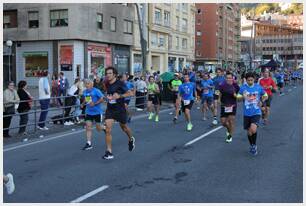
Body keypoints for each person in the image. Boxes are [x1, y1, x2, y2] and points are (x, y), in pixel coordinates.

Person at [103, 67, 135, 160]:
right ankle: (109, 152)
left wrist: (120, 96)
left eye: (110, 73)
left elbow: (130, 93)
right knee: (108, 129)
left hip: (120, 109)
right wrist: (107, 97)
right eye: (107, 73)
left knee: (124, 128)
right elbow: (108, 93)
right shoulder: (106, 83)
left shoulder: (121, 84)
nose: (108, 75)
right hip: (110, 109)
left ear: (114, 74)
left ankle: (131, 138)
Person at [236, 72, 268, 156]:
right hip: (247, 113)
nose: (250, 81)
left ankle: (254, 145)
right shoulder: (243, 88)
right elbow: (238, 99)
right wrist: (243, 96)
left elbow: (265, 95)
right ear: (246, 80)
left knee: (253, 129)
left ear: (254, 79)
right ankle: (252, 145)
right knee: (249, 132)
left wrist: (262, 101)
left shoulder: (258, 87)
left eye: (251, 80)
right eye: (248, 80)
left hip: (256, 112)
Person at [81, 79, 105, 150]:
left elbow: (102, 99)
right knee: (88, 127)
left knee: (98, 128)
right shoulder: (85, 91)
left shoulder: (96, 91)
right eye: (85, 84)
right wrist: (83, 104)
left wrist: (94, 103)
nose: (86, 85)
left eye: (88, 84)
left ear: (92, 84)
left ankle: (104, 128)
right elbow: (87, 98)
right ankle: (89, 143)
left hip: (97, 112)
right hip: (89, 112)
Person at [219, 72, 240, 143]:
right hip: (224, 105)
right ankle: (229, 130)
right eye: (227, 78)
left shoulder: (235, 86)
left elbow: (239, 94)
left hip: (232, 105)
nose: (229, 79)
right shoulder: (222, 85)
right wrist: (219, 100)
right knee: (223, 122)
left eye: (230, 78)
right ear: (225, 78)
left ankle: (230, 136)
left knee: (231, 121)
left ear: (232, 78)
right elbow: (220, 93)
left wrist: (236, 96)